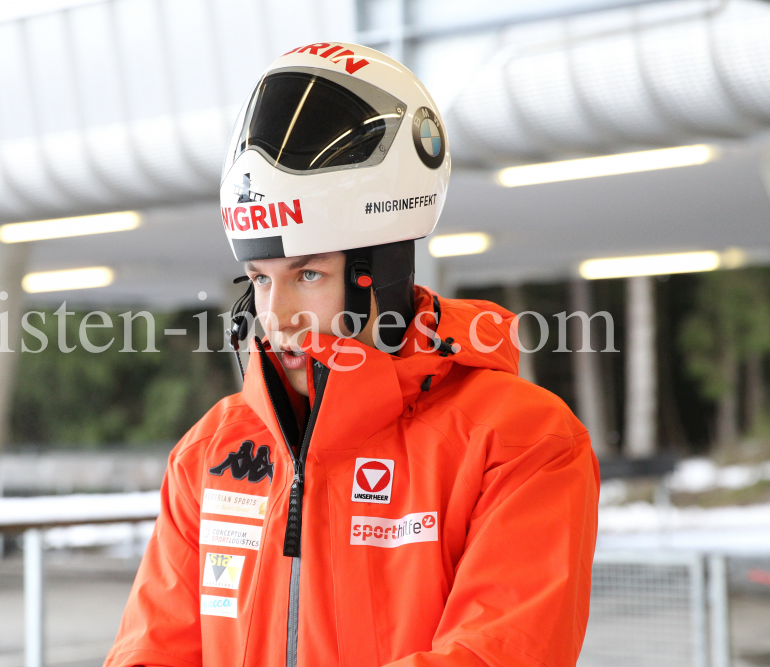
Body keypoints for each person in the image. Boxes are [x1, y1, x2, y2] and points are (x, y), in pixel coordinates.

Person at [104, 43, 599, 667]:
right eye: (259, 279)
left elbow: (496, 652)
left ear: (382, 277)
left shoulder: (519, 441)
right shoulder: (212, 452)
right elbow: (152, 650)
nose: (276, 317)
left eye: (307, 274)